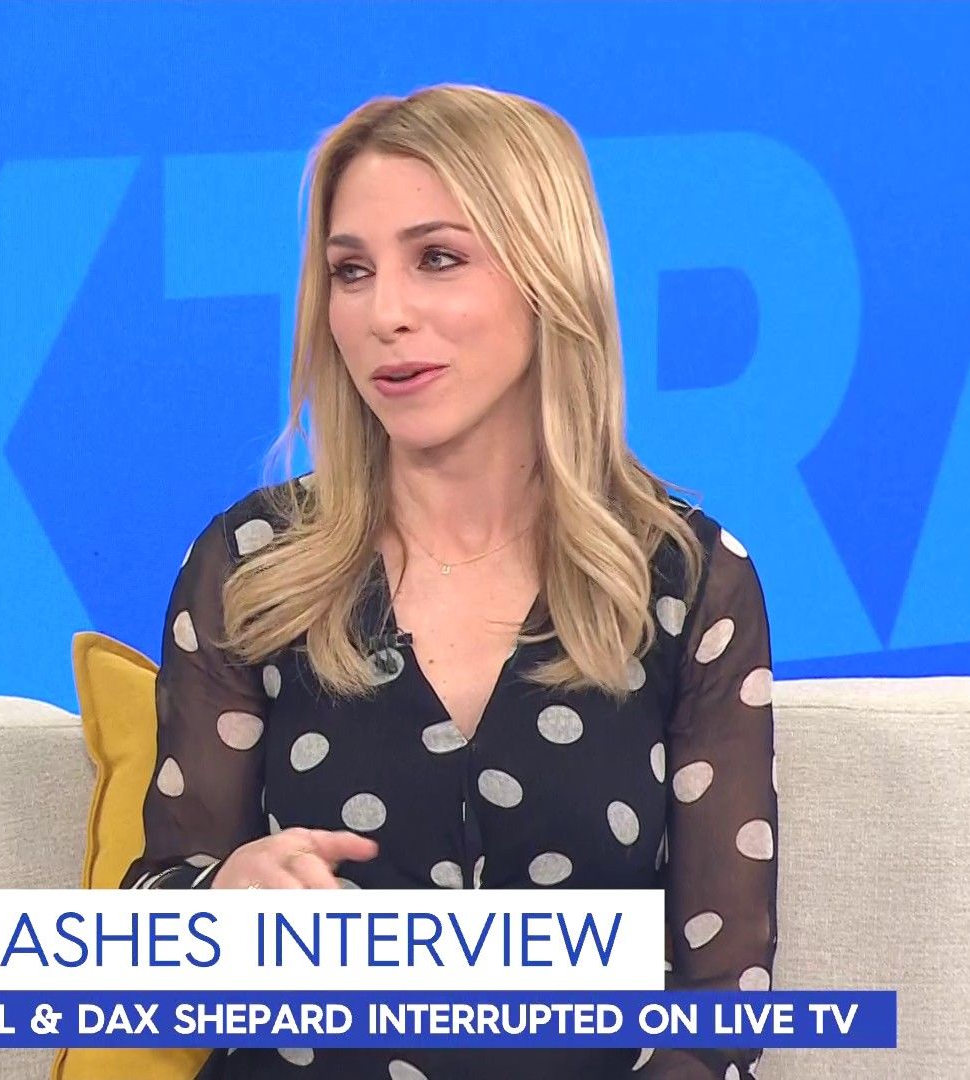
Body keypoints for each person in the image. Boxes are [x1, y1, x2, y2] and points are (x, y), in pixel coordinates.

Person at [121, 83, 777, 1080]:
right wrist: (220, 901)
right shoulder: (251, 565)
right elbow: (151, 923)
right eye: (350, 272)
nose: (384, 314)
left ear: (548, 276)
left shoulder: (688, 582)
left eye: (437, 258)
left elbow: (721, 1004)